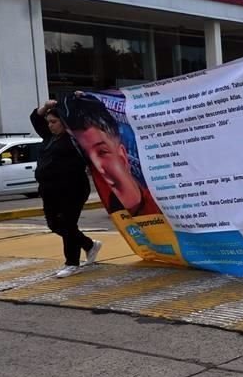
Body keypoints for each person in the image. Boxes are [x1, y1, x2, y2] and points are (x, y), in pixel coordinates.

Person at [30, 98, 102, 278]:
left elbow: (88, 118)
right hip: (49, 190)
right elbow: (35, 119)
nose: (50, 125)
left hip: (72, 190)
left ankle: (72, 263)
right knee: (54, 224)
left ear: (64, 121)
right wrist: (46, 107)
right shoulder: (49, 137)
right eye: (48, 122)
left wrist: (81, 99)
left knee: (68, 225)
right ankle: (89, 245)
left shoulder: (75, 139)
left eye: (54, 122)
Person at [64, 94, 161, 217]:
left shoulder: (162, 206)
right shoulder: (112, 204)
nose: (98, 167)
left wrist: (91, 96)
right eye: (88, 156)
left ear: (123, 156)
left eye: (102, 152)